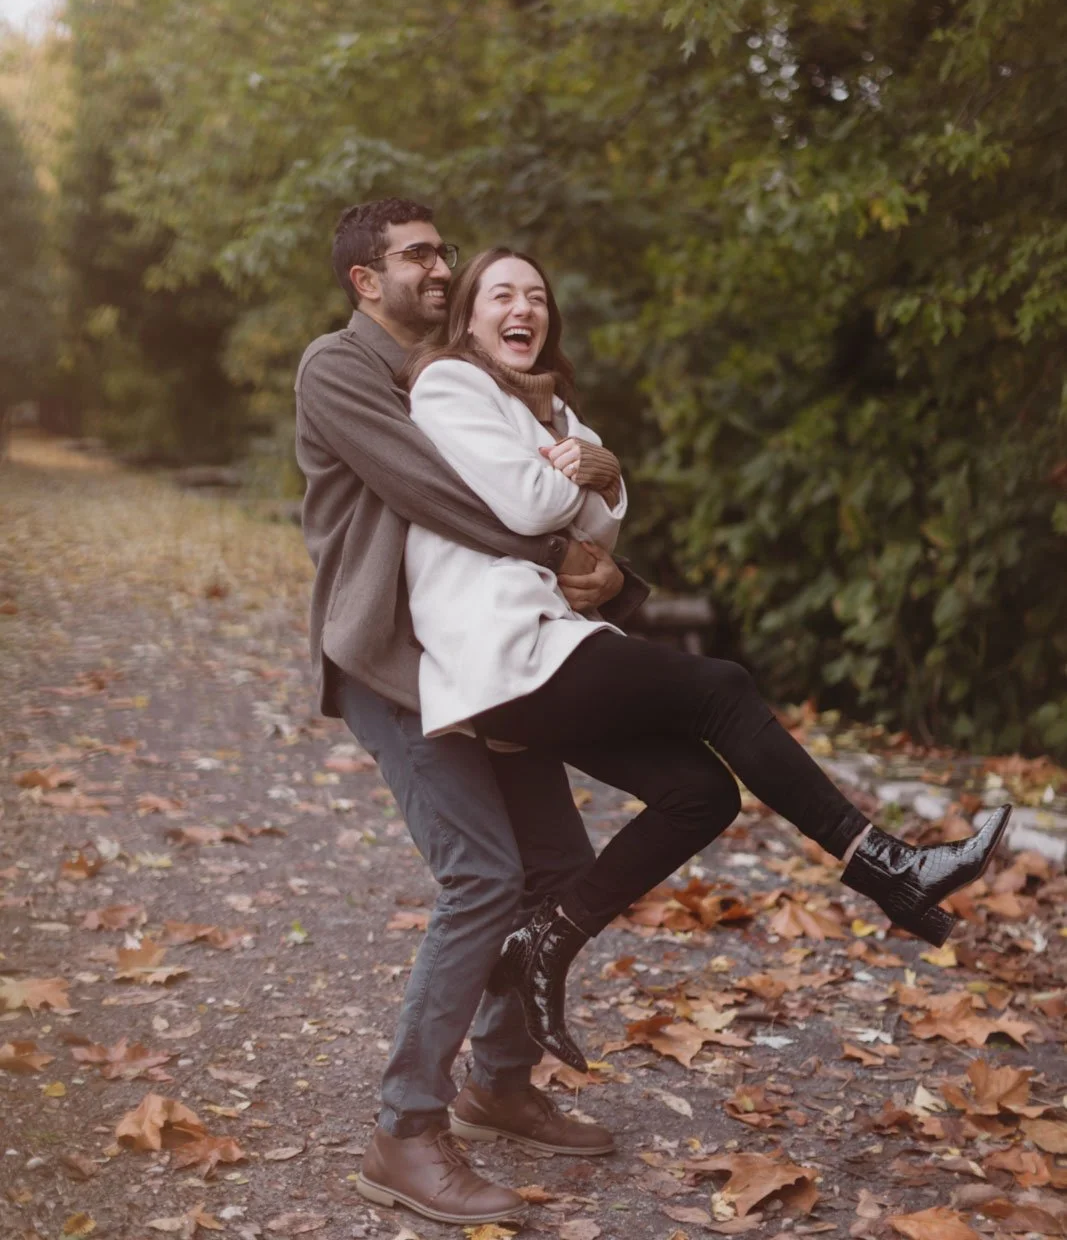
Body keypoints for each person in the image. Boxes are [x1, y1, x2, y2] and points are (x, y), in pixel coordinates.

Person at [400, 245, 1013, 1077]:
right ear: (469, 316)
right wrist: (586, 478)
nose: (524, 308)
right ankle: (886, 867)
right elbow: (533, 501)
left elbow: (603, 521)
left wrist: (591, 472)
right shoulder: (449, 385)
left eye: (538, 296)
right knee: (719, 686)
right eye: (501, 294)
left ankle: (543, 941)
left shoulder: (553, 413)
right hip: (497, 651)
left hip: (545, 646)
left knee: (701, 794)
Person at [294, 199, 654, 1229]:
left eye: (445, 251)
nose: (440, 267)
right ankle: (404, 1127)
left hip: (482, 658)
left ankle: (496, 1077)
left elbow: (557, 475)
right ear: (366, 279)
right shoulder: (339, 369)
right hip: (394, 665)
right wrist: (569, 561)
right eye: (417, 255)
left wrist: (599, 556)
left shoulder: (464, 373)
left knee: (558, 867)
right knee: (483, 875)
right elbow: (431, 492)